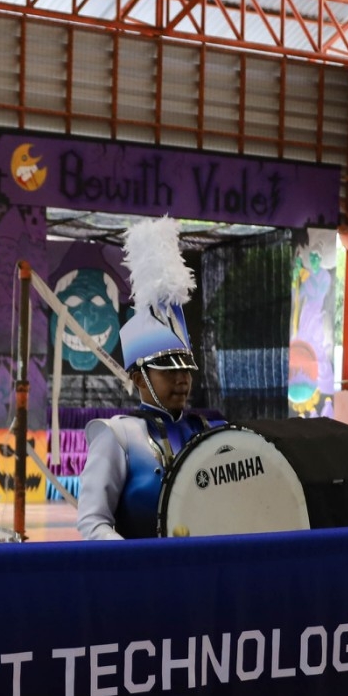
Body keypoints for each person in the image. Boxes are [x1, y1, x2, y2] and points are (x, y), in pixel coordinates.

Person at [78, 216, 224, 540]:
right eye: (168, 369)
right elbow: (92, 522)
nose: (182, 378)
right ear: (138, 377)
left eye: (185, 368)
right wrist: (135, 563)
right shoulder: (117, 436)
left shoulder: (208, 432)